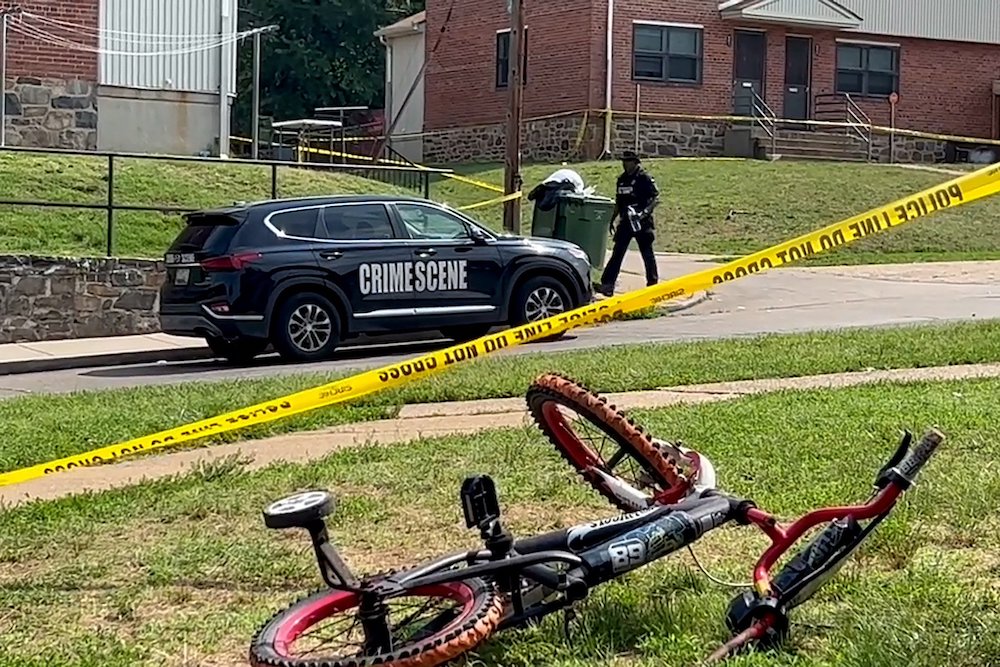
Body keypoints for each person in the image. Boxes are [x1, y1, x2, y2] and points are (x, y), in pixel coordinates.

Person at [595, 151, 659, 297]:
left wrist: (644, 213)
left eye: (627, 161)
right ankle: (608, 285)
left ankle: (653, 286)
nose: (624, 164)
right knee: (617, 253)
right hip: (625, 221)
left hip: (642, 222)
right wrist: (612, 219)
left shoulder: (644, 178)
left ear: (635, 162)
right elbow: (619, 201)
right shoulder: (622, 179)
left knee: (647, 253)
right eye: (623, 161)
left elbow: (655, 198)